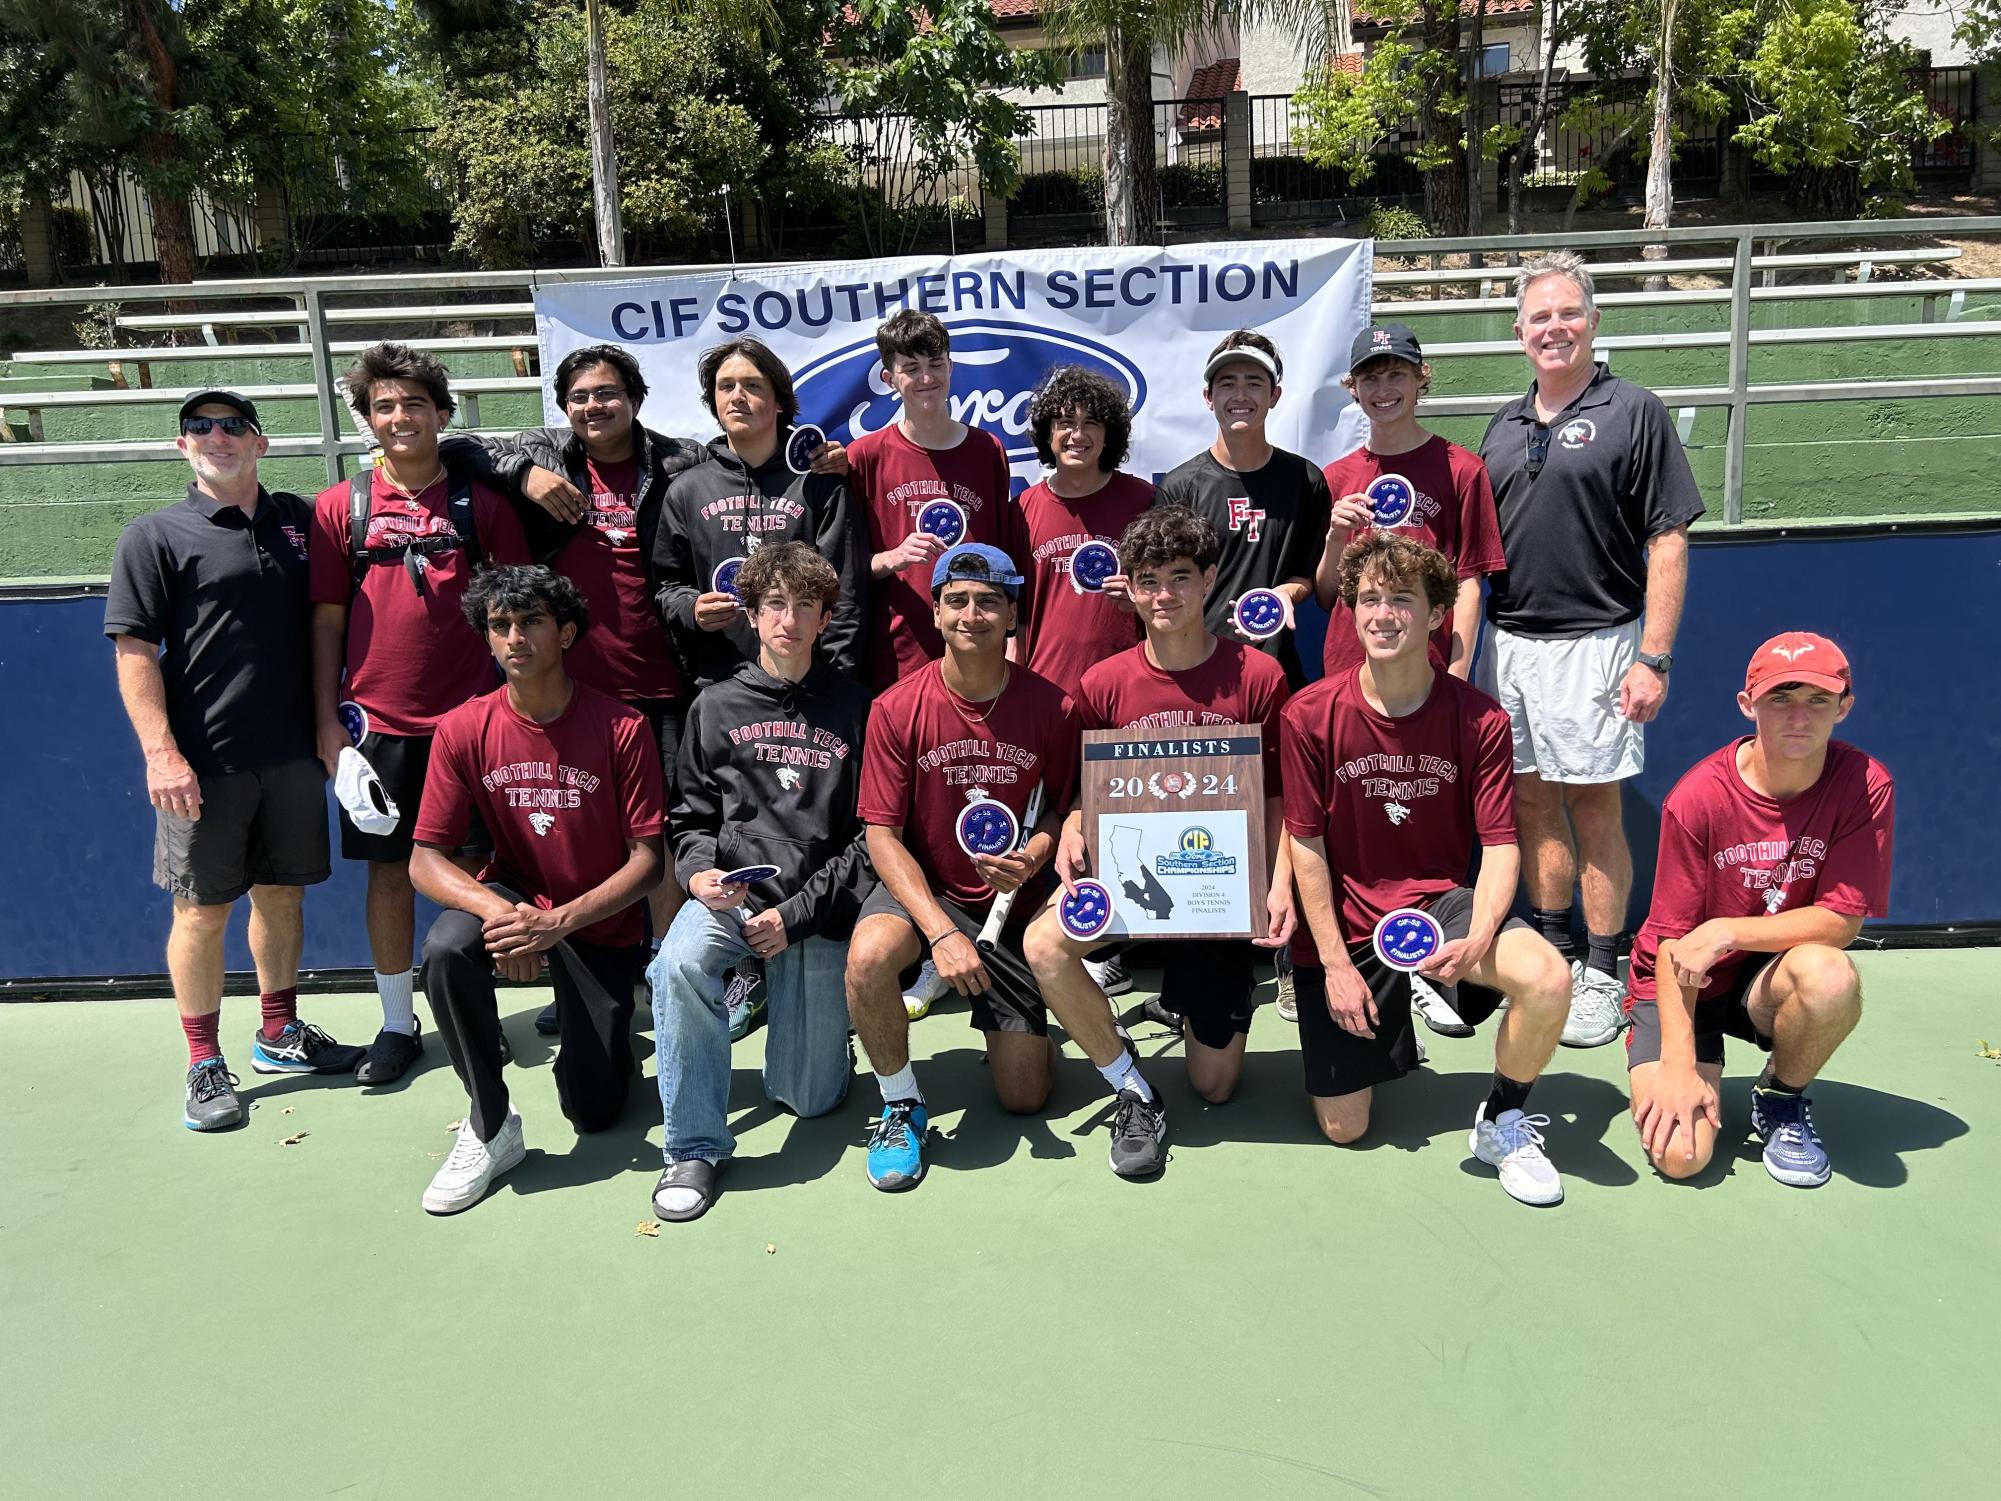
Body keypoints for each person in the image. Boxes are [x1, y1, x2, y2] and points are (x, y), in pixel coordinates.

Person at [1282, 533, 1575, 1207]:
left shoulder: (1479, 719)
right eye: (1369, 599)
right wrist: (1331, 963)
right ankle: (1375, 1005)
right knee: (1344, 1126)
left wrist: (1480, 933)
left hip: (1434, 908)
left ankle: (1501, 1115)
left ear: (1438, 613)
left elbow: (1501, 843)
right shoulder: (1307, 715)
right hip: (1348, 927)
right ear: (1350, 611)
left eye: (1402, 599)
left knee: (1546, 974)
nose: (1383, 614)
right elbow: (1305, 846)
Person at [106, 390, 362, 1129]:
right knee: (201, 910)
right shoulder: (153, 535)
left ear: (261, 442)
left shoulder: (301, 523)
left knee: (282, 896)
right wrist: (161, 752)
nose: (215, 436)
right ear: (181, 446)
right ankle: (202, 1060)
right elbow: (133, 651)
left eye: (232, 426)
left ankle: (278, 1032)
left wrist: (323, 724)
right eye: (199, 427)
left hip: (290, 755)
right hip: (203, 763)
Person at [1477, 252, 1704, 1050]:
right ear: (1517, 333)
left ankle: (1603, 970)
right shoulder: (1502, 425)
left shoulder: (1634, 409)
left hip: (1600, 644)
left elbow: (1667, 539)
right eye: (1538, 317)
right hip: (1508, 648)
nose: (1553, 327)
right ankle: (1554, 948)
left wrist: (1654, 656)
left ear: (1594, 321)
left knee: (1592, 806)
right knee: (1531, 804)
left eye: (1567, 312)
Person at [1023, 505, 1293, 1148]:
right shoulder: (1103, 684)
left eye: (1179, 576)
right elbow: (1084, 793)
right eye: (1147, 579)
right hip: (1133, 877)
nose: (1163, 594)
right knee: (1044, 947)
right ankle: (1128, 1081)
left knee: (1216, 1085)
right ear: (1130, 589)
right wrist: (1071, 829)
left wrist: (1277, 882)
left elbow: (1284, 797)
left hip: (1217, 892)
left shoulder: (1259, 676)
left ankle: (1180, 1005)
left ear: (1208, 579)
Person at [407, 565, 666, 1214]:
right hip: (518, 897)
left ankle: (599, 1045)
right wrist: (503, 914)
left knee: (595, 1110)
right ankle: (490, 1123)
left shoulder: (622, 728)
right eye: (500, 625)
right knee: (445, 947)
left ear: (567, 632)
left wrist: (556, 925)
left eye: (531, 622)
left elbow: (647, 864)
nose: (514, 636)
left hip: (597, 922)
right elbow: (423, 861)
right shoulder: (463, 728)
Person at [309, 341, 532, 1086]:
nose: (399, 417)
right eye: (384, 406)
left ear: (443, 413)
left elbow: (514, 617)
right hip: (377, 731)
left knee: (469, 870)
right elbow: (327, 622)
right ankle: (397, 1024)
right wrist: (327, 726)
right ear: (367, 420)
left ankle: (472, 1016)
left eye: (413, 404)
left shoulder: (484, 505)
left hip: (471, 727)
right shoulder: (342, 506)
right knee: (388, 874)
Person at [845, 544, 1083, 1192]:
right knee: (868, 956)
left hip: (1010, 902)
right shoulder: (895, 707)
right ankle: (899, 1104)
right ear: (936, 610)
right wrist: (941, 932)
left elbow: (1065, 810)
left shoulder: (1054, 708)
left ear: (1012, 614)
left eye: (987, 601)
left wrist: (1034, 854)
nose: (970, 614)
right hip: (925, 892)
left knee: (1024, 1097)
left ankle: (1028, 1033)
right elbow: (882, 836)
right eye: (956, 600)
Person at [647, 543, 874, 1222]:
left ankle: (810, 1025)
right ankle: (692, 1144)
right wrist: (697, 874)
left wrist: (795, 918)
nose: (789, 619)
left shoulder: (857, 706)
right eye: (774, 603)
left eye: (806, 604)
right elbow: (687, 818)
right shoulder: (713, 705)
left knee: (807, 1096)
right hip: (734, 896)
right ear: (749, 612)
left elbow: (868, 841)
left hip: (813, 909)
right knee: (677, 965)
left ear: (826, 616)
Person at [1624, 632, 1893, 1189]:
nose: (1799, 717)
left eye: (1818, 700)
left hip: (1764, 973)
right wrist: (1677, 1066)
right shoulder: (1698, 796)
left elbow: (1841, 921)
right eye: (1780, 699)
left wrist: (1726, 929)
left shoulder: (1865, 785)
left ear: (1844, 707)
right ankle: (1685, 1064)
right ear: (1748, 706)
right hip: (1681, 980)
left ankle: (1781, 1097)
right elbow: (1675, 943)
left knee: (1829, 975)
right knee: (1682, 1157)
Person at [1315, 322, 1508, 1039]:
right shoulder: (1336, 477)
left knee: (1428, 816)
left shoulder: (1460, 468)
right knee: (1346, 818)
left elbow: (1467, 578)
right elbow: (1330, 588)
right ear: (1353, 388)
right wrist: (1336, 534)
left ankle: (1429, 961)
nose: (1384, 387)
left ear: (1420, 380)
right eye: (1370, 375)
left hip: (1430, 680)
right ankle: (1336, 959)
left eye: (1397, 373)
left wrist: (1454, 667)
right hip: (1350, 679)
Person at [654, 335, 866, 691]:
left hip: (809, 684)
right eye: (726, 387)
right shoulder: (687, 489)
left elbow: (846, 591)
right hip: (720, 686)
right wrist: (692, 608)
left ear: (779, 401)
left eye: (752, 385)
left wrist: (836, 680)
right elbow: (666, 587)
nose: (737, 396)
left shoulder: (818, 482)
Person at [847, 310, 1028, 691]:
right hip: (898, 652)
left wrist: (1013, 639)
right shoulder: (865, 456)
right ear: (889, 378)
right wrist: (889, 558)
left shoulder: (987, 449)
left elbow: (1003, 553)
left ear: (951, 367)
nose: (926, 378)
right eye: (911, 368)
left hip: (978, 645)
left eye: (936, 364)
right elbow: (840, 567)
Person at [1155, 329, 1331, 691]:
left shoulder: (1305, 480)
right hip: (1196, 671)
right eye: (1226, 384)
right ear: (1208, 397)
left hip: (1276, 668)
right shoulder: (1179, 487)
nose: (1239, 396)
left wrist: (1287, 594)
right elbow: (1165, 583)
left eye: (1253, 383)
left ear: (1274, 396)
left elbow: (1307, 576)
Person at [1011, 364, 1152, 697]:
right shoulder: (1021, 511)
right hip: (1045, 693)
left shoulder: (1143, 501)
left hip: (1128, 689)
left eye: (1091, 423)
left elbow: (1167, 596)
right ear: (1048, 433)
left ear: (1109, 435)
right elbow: (1014, 621)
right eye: (1065, 423)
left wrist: (1138, 601)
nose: (1077, 435)